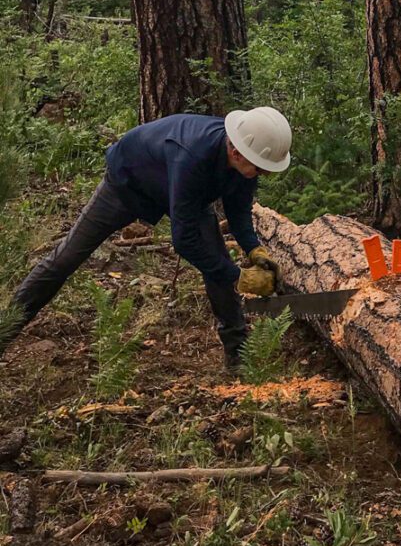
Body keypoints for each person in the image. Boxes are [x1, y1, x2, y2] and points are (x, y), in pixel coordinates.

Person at [1, 106, 291, 371]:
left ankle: (238, 354)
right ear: (237, 152)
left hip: (184, 192)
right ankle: (5, 330)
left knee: (215, 260)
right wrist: (239, 277)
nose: (261, 174)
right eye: (260, 168)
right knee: (66, 258)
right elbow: (183, 240)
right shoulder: (192, 156)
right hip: (127, 185)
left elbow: (238, 212)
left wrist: (255, 251)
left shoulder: (246, 158)